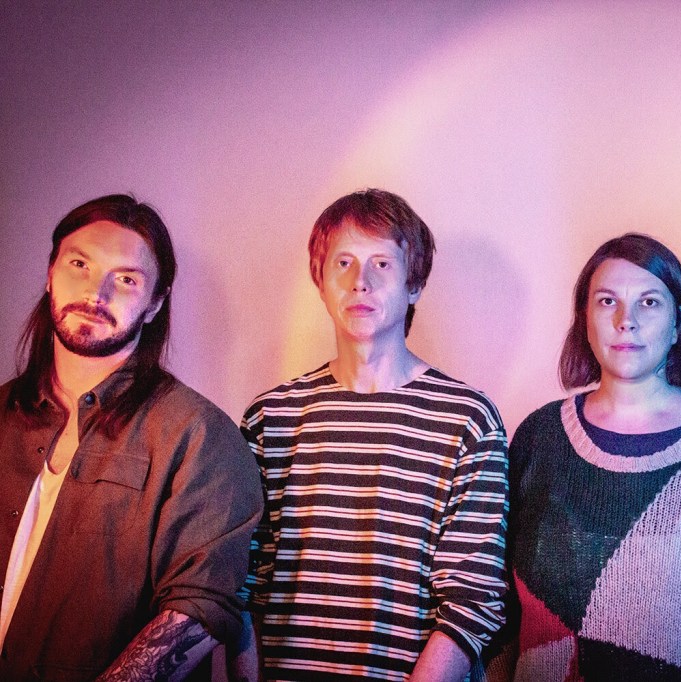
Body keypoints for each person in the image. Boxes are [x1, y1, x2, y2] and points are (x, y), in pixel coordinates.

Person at [241, 189, 508, 680]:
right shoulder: (270, 418)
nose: (359, 282)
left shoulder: (468, 420)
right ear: (320, 283)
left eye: (381, 264)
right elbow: (241, 587)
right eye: (343, 263)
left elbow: (472, 599)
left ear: (414, 285)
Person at [503, 233, 681, 681]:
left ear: (679, 323)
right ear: (584, 319)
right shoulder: (537, 438)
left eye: (649, 303)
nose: (626, 321)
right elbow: (495, 604)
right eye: (607, 302)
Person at [0, 194, 263, 680]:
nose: (95, 292)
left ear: (155, 302)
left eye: (126, 279)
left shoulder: (199, 435)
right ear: (51, 272)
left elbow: (201, 604)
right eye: (80, 264)